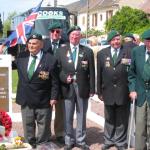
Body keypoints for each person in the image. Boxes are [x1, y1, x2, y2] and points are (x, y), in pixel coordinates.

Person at [15, 33, 59, 149]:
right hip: (26, 98)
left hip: (43, 99)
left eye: (34, 43)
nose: (31, 46)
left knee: (43, 126)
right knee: (27, 125)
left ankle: (42, 145)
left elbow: (55, 81)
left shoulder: (50, 59)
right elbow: (8, 65)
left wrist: (54, 97)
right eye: (29, 43)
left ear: (41, 45)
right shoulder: (21, 56)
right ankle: (30, 145)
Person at [56, 26, 95, 150]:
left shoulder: (87, 51)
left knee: (82, 114)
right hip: (67, 87)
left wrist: (92, 89)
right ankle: (69, 140)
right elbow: (58, 69)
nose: (75, 37)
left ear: (80, 37)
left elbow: (91, 71)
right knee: (67, 115)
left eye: (77, 35)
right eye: (72, 35)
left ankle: (81, 140)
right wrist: (64, 77)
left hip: (82, 87)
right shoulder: (61, 50)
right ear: (69, 36)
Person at [97, 30, 131, 150]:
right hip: (108, 91)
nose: (116, 42)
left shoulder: (127, 52)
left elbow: (132, 73)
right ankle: (108, 139)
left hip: (123, 90)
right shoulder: (102, 53)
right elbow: (99, 74)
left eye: (118, 39)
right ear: (109, 41)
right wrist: (99, 91)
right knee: (109, 117)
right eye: (114, 40)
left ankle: (120, 141)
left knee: (122, 118)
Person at [43, 22, 65, 144]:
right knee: (46, 110)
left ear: (61, 32)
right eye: (53, 31)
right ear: (49, 32)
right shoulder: (43, 44)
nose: (55, 34)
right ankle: (45, 133)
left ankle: (60, 133)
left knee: (60, 111)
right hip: (46, 82)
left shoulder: (65, 45)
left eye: (58, 31)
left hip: (61, 83)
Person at [128, 29, 150, 150]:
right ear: (144, 41)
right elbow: (131, 74)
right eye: (148, 41)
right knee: (140, 126)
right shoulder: (136, 51)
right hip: (140, 95)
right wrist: (132, 89)